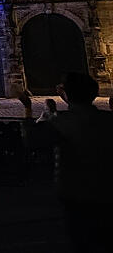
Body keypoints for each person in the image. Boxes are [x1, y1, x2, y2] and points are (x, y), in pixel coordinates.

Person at [19, 73, 113, 253]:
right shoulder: (107, 120)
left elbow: (31, 140)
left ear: (67, 94)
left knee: (82, 241)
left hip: (76, 193)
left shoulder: (62, 122)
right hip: (106, 191)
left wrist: (28, 108)